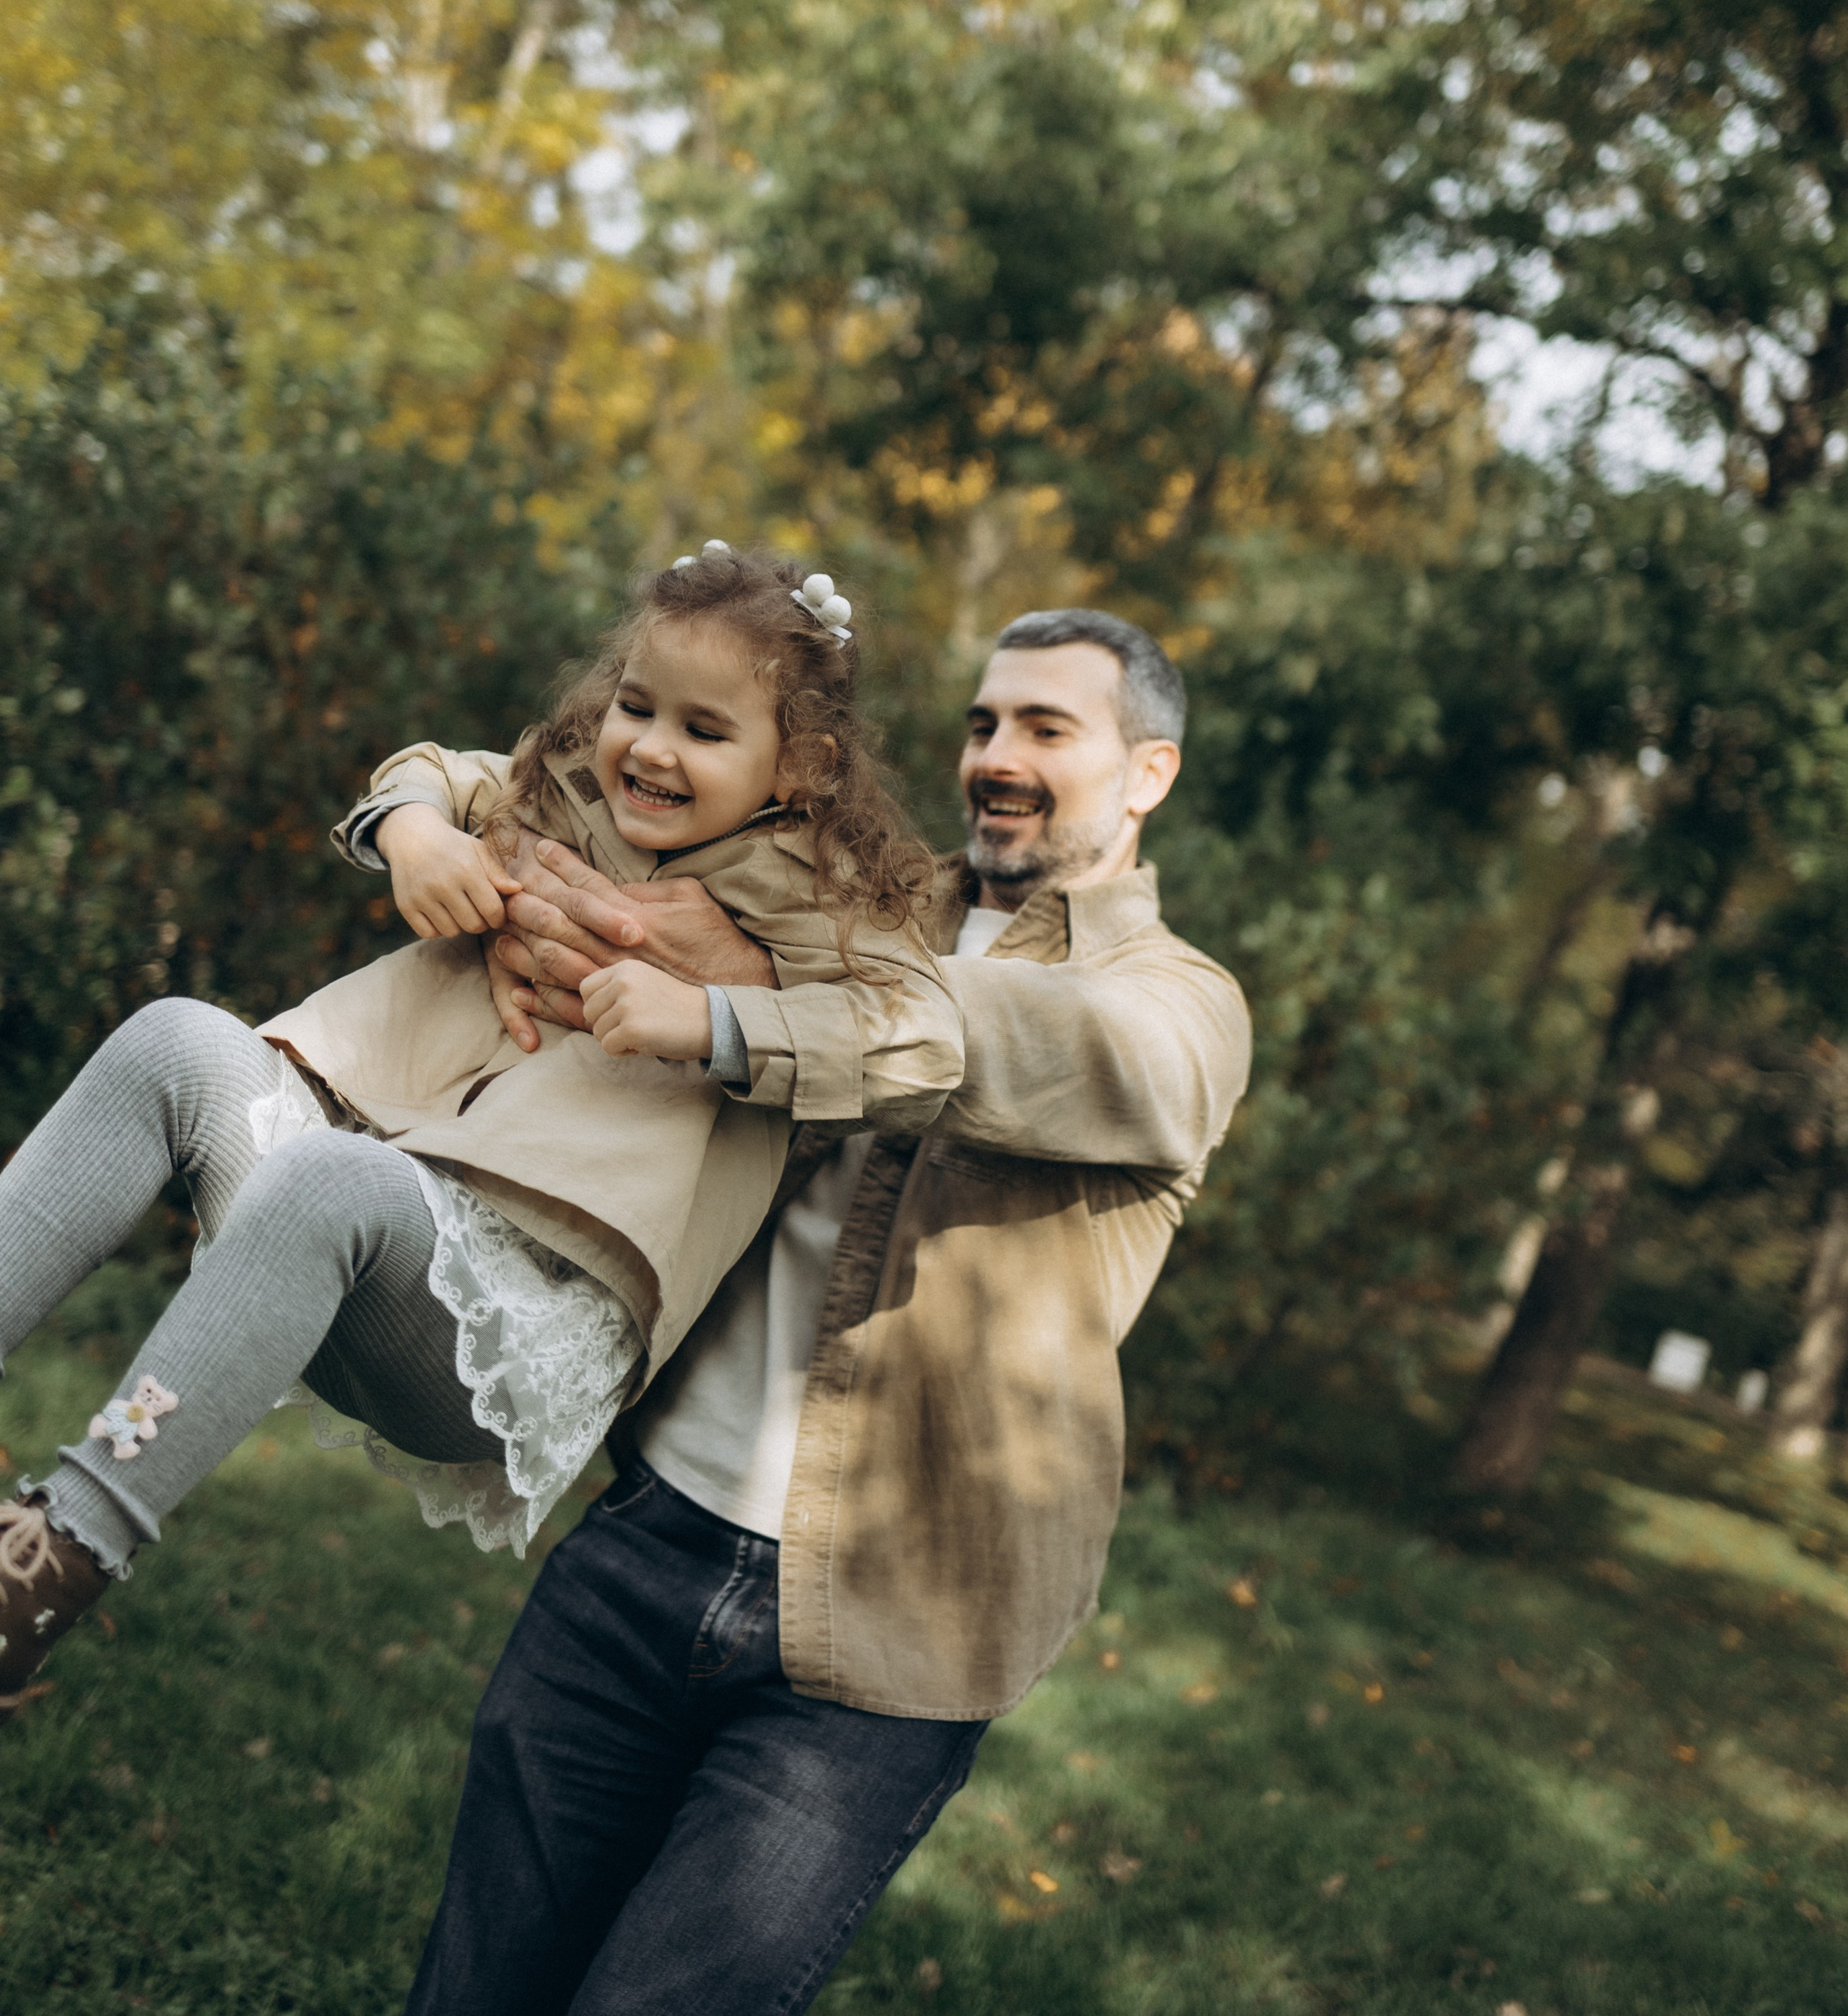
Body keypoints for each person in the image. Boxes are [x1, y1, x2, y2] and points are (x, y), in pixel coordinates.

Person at [399, 606, 1252, 2016]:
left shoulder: (1179, 1008)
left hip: (883, 1644)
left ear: (1145, 775)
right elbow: (573, 794)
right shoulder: (843, 897)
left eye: (1047, 728)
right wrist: (422, 825)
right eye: (984, 722)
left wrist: (744, 1007)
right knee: (475, 1988)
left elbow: (986, 1040)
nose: (997, 755)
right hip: (645, 1544)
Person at [0, 546, 959, 1701]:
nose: (650, 747)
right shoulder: (563, 791)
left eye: (705, 731)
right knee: (174, 1037)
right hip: (375, 1197)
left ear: (800, 764)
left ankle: (50, 1566)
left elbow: (924, 1043)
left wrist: (716, 1021)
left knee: (332, 1183)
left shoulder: (822, 899)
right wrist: (414, 835)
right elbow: (436, 772)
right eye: (635, 705)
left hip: (509, 1317)